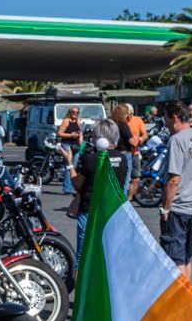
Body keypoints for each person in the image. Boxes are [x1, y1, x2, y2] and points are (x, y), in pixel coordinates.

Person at [158, 100, 192, 279]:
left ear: (174, 117)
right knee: (186, 258)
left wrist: (166, 207)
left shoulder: (176, 140)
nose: (164, 123)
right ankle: (189, 303)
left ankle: (180, 303)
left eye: (165, 118)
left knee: (175, 259)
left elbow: (174, 179)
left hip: (179, 207)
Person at [71, 119, 130, 255]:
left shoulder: (90, 159)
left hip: (89, 211)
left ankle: (80, 276)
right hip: (112, 211)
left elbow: (77, 184)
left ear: (98, 137)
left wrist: (69, 164)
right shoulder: (122, 159)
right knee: (108, 254)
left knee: (84, 255)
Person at [55, 106, 82, 194]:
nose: (75, 114)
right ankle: (67, 188)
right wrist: (70, 135)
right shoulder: (66, 121)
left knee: (74, 166)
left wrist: (81, 137)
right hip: (67, 144)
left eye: (77, 112)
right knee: (69, 166)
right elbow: (59, 133)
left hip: (76, 145)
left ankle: (72, 187)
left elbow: (80, 130)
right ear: (70, 113)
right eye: (74, 112)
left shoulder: (78, 120)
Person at [126, 103, 149, 198]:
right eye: (127, 113)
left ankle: (129, 199)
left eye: (131, 113)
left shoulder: (138, 120)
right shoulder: (120, 121)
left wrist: (141, 139)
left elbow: (145, 134)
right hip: (123, 152)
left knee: (136, 178)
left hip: (135, 152)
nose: (129, 115)